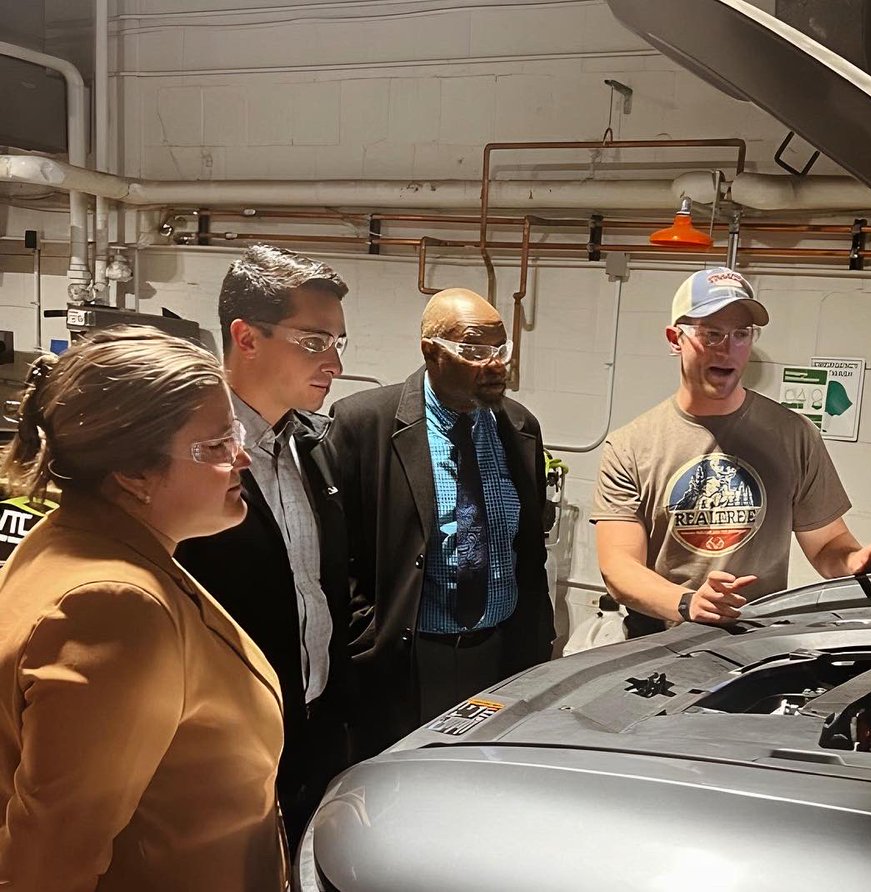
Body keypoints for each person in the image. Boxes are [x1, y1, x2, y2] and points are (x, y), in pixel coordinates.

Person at [0, 327, 287, 891]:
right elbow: (51, 864)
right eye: (215, 447)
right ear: (133, 473)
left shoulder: (80, 539)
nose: (243, 458)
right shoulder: (114, 607)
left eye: (234, 432)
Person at [593, 267, 871, 637]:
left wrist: (856, 560)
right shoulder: (631, 446)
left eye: (740, 334)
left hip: (756, 639)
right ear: (675, 339)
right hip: (658, 642)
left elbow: (827, 544)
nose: (727, 347)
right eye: (711, 334)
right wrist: (687, 603)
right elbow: (619, 567)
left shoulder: (792, 434)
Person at [175, 244, 354, 852]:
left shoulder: (317, 445)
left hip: (312, 720)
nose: (332, 362)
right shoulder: (189, 453)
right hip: (222, 740)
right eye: (314, 341)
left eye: (337, 343)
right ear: (246, 338)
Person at [328, 288, 553, 754]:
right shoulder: (364, 422)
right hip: (406, 657)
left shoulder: (520, 426)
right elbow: (335, 550)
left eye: (501, 349)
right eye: (474, 350)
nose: (495, 365)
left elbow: (528, 547)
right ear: (431, 351)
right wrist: (366, 629)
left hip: (500, 653)